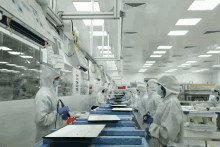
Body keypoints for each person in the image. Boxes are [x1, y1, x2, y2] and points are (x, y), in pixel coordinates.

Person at [34, 64, 70, 143]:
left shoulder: (51, 92)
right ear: (49, 79)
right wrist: (58, 113)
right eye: (56, 78)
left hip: (53, 134)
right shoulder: (42, 95)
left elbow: (53, 111)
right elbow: (41, 120)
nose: (58, 81)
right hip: (45, 137)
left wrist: (62, 115)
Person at [146, 75, 184, 147]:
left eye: (159, 85)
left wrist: (152, 129)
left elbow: (169, 133)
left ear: (165, 87)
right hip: (162, 142)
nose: (157, 88)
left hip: (169, 144)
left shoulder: (172, 103)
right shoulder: (166, 100)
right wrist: (154, 121)